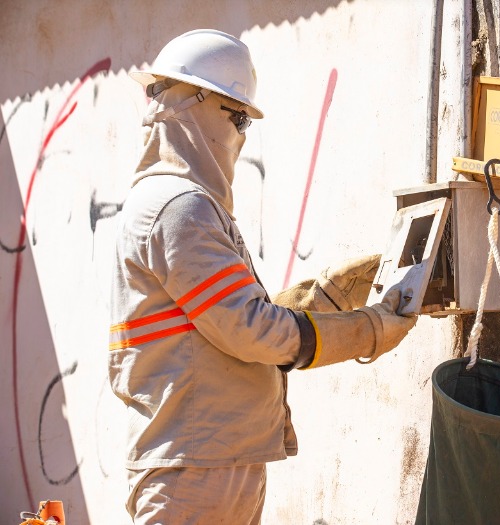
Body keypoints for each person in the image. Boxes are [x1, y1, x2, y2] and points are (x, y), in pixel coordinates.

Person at [108, 29, 417, 524]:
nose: (239, 134)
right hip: (196, 470)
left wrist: (322, 299)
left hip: (214, 461)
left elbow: (221, 321)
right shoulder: (178, 206)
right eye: (236, 118)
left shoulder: (188, 205)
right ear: (196, 105)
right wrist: (368, 330)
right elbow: (249, 329)